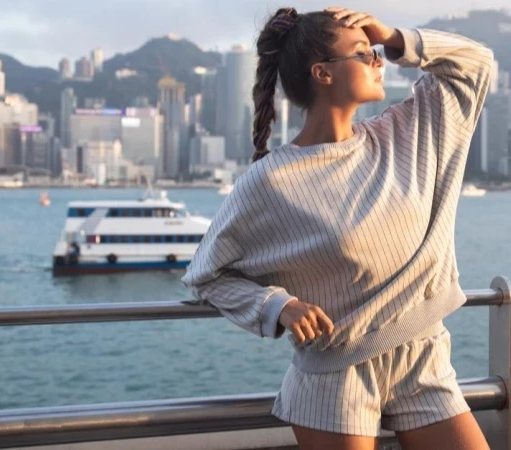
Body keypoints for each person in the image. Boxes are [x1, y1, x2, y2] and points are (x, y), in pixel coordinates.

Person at [182, 6, 492, 450]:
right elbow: (206, 275)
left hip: (424, 357)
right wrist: (277, 306)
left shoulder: (406, 134)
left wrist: (392, 36)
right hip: (335, 376)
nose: (378, 60)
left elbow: (476, 63)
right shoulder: (270, 180)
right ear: (323, 74)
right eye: (364, 54)